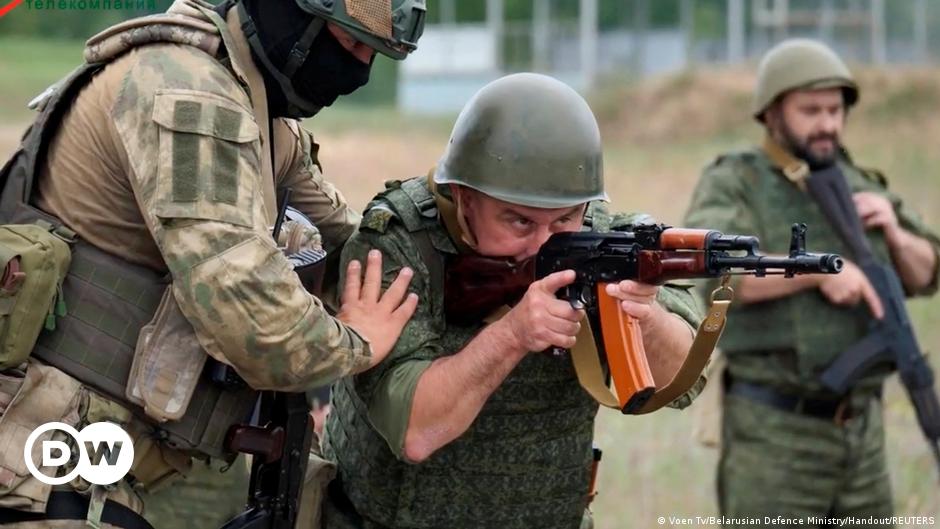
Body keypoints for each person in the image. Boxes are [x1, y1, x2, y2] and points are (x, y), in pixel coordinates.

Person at [0, 0, 426, 527]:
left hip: (104, 462)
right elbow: (259, 327)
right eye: (350, 42)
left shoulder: (257, 109)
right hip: (42, 465)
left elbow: (356, 247)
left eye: (374, 52)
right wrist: (357, 341)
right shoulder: (188, 93)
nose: (360, 70)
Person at [320, 73, 705, 529]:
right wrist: (514, 334)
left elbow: (683, 384)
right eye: (519, 222)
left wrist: (645, 318)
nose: (543, 245)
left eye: (564, 220)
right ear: (463, 198)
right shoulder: (399, 247)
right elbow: (416, 433)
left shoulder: (608, 237)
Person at [683, 39, 940, 523]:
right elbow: (714, 271)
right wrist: (816, 274)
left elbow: (929, 272)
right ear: (773, 113)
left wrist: (895, 233)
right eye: (811, 110)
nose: (827, 124)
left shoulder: (859, 182)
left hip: (862, 435)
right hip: (776, 436)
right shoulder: (737, 180)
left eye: (836, 110)